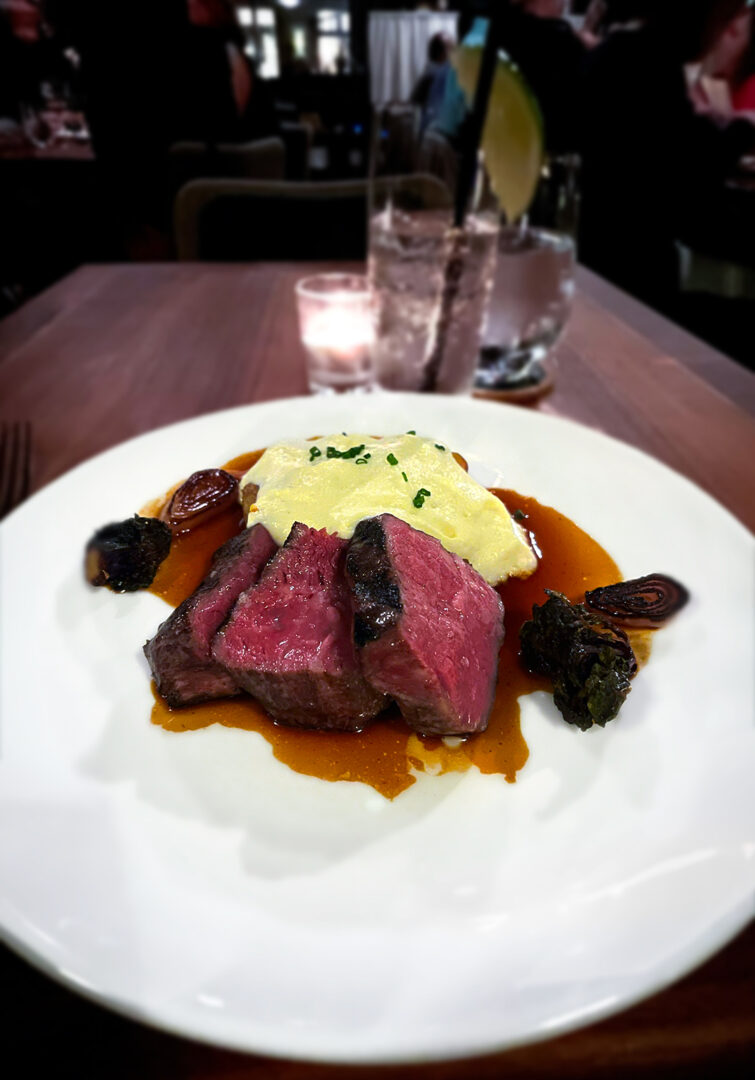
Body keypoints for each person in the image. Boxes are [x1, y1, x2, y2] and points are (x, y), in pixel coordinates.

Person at [578, 0, 755, 311]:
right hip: (632, 286)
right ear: (704, 21)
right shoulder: (653, 65)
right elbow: (688, 180)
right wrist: (742, 131)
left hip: (593, 268)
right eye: (725, 26)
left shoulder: (619, 51)